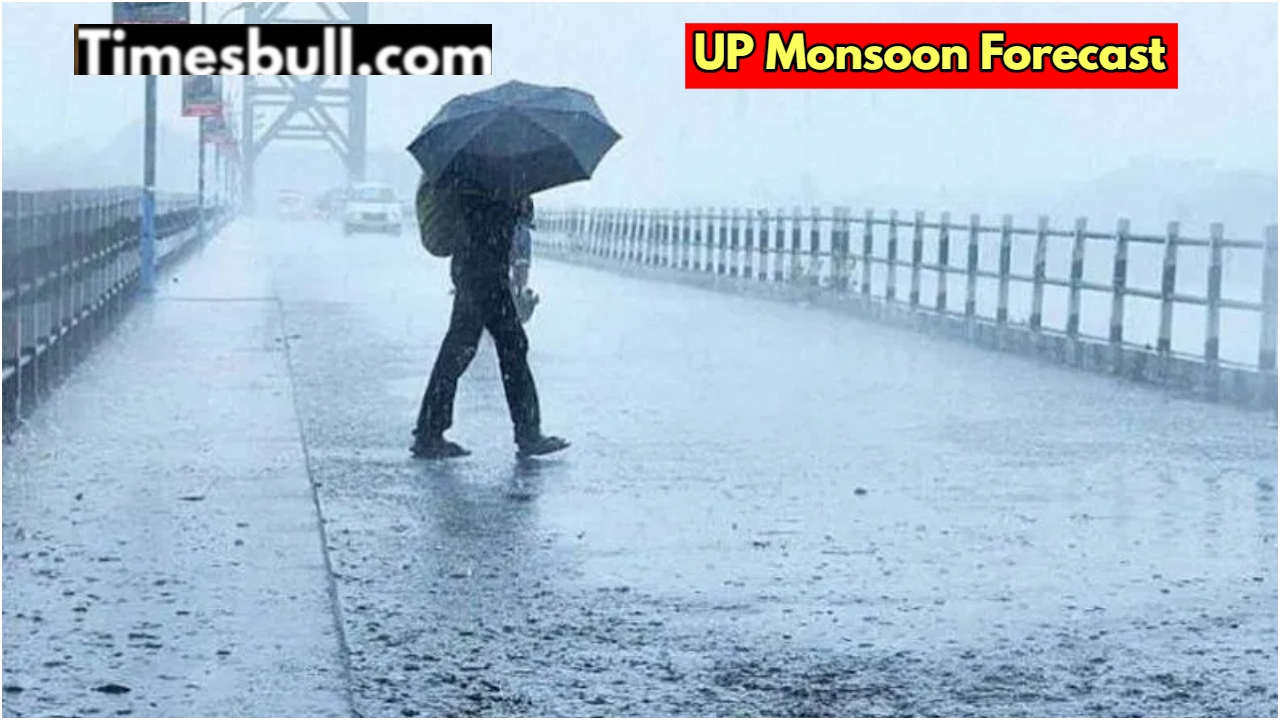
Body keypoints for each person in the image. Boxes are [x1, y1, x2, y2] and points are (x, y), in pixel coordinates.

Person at [411, 180, 569, 460]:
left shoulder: (480, 171)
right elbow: (490, 216)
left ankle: (430, 431)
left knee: (469, 348)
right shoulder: (485, 174)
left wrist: (517, 202)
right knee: (498, 346)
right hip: (482, 270)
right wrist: (514, 202)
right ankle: (526, 432)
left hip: (479, 268)